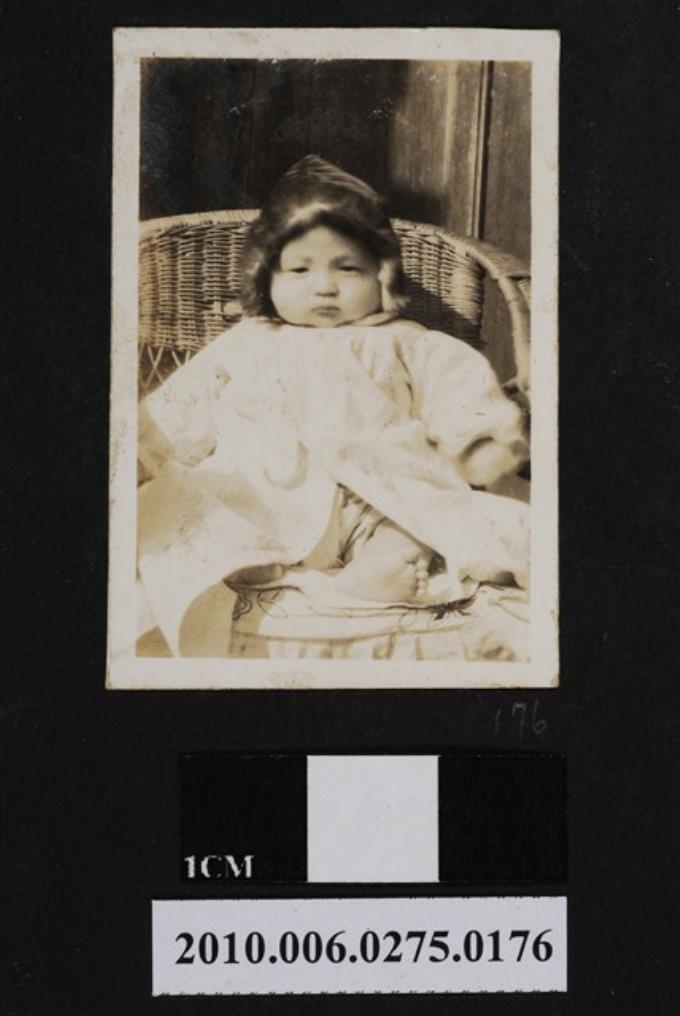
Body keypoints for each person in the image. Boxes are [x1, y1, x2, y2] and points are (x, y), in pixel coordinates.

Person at [137, 156, 529, 656]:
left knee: (420, 529)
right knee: (189, 511)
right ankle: (253, 564)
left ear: (382, 277)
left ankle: (377, 570)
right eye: (300, 269)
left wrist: (479, 441)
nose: (324, 285)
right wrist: (145, 449)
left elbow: (461, 393)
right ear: (267, 277)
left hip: (377, 494)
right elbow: (179, 408)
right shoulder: (247, 341)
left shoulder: (407, 342)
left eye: (348, 268)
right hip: (265, 491)